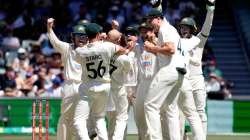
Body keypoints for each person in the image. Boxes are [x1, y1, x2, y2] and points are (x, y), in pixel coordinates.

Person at [74, 23, 129, 140]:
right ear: (98, 34)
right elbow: (122, 50)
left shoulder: (80, 51)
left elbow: (79, 59)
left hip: (88, 87)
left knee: (79, 120)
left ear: (86, 36)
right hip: (104, 86)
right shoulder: (107, 46)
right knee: (99, 118)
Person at [143, 9, 186, 140]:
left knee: (150, 105)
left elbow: (170, 49)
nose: (150, 24)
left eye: (150, 21)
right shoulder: (170, 30)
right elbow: (166, 52)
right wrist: (155, 43)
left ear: (158, 18)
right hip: (179, 72)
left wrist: (151, 48)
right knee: (171, 109)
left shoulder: (165, 28)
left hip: (169, 70)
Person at [179, 0, 216, 138]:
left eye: (187, 27)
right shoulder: (177, 41)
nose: (184, 29)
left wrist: (210, 9)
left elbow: (207, 27)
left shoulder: (199, 40)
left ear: (193, 29)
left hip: (196, 79)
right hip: (181, 79)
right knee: (179, 112)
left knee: (200, 110)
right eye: (182, 27)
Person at [47, 18, 88, 140]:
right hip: (70, 86)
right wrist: (49, 28)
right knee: (66, 117)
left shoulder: (91, 49)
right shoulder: (67, 48)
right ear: (73, 37)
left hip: (84, 86)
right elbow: (55, 41)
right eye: (79, 36)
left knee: (82, 118)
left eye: (84, 36)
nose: (82, 38)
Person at [106, 29, 131, 140]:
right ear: (119, 40)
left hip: (107, 89)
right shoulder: (124, 58)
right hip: (119, 90)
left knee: (111, 119)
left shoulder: (103, 52)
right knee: (122, 117)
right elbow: (128, 72)